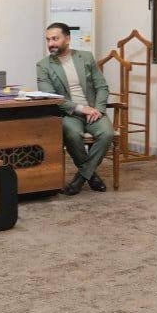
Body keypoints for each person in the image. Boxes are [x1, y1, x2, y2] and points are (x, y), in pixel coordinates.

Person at [36, 22, 114, 196]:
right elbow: (51, 97)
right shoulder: (43, 66)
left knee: (107, 134)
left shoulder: (85, 57)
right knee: (72, 134)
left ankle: (81, 177)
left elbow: (102, 87)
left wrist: (98, 109)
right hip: (69, 114)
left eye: (55, 39)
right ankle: (91, 176)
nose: (51, 43)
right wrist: (81, 109)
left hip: (94, 111)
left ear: (67, 39)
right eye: (48, 40)